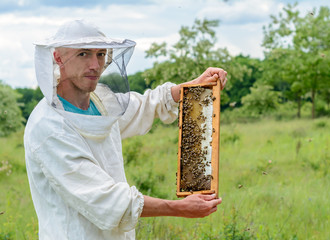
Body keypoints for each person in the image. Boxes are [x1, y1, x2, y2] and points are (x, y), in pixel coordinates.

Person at [24, 19, 227, 239]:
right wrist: (178, 207)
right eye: (83, 54)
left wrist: (192, 87)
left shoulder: (100, 103)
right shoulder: (49, 127)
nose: (95, 65)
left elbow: (143, 106)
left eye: (100, 54)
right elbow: (107, 199)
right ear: (58, 58)